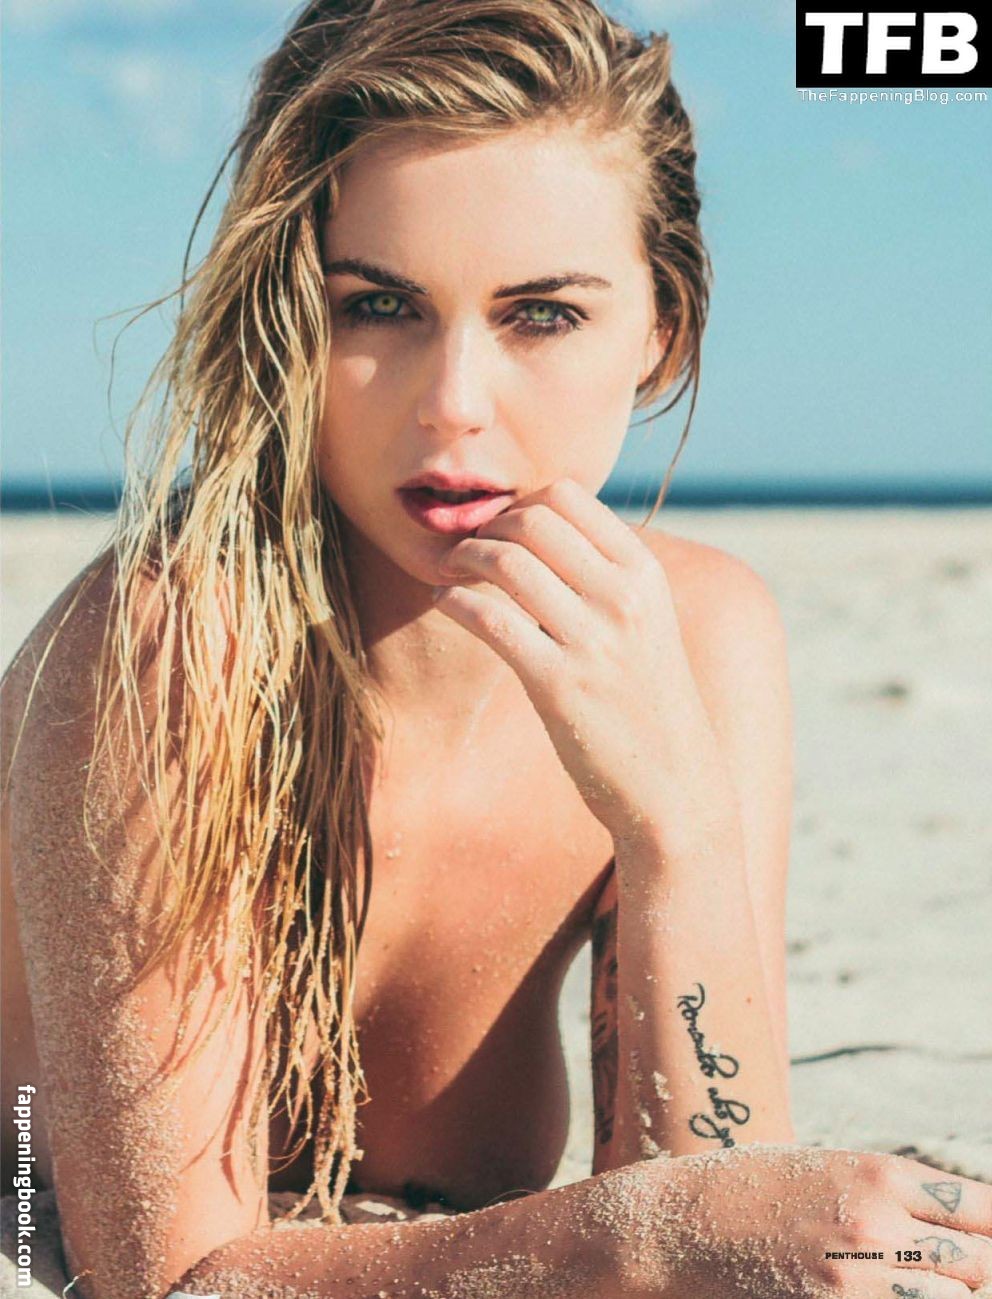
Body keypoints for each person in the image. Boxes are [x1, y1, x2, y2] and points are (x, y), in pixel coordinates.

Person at [2, 1, 990, 1296]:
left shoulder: (699, 635)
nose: (453, 405)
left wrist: (678, 827)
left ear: (662, 330)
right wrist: (622, 1240)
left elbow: (718, 1210)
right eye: (379, 307)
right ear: (291, 317)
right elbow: (165, 1283)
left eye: (542, 315)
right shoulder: (177, 650)